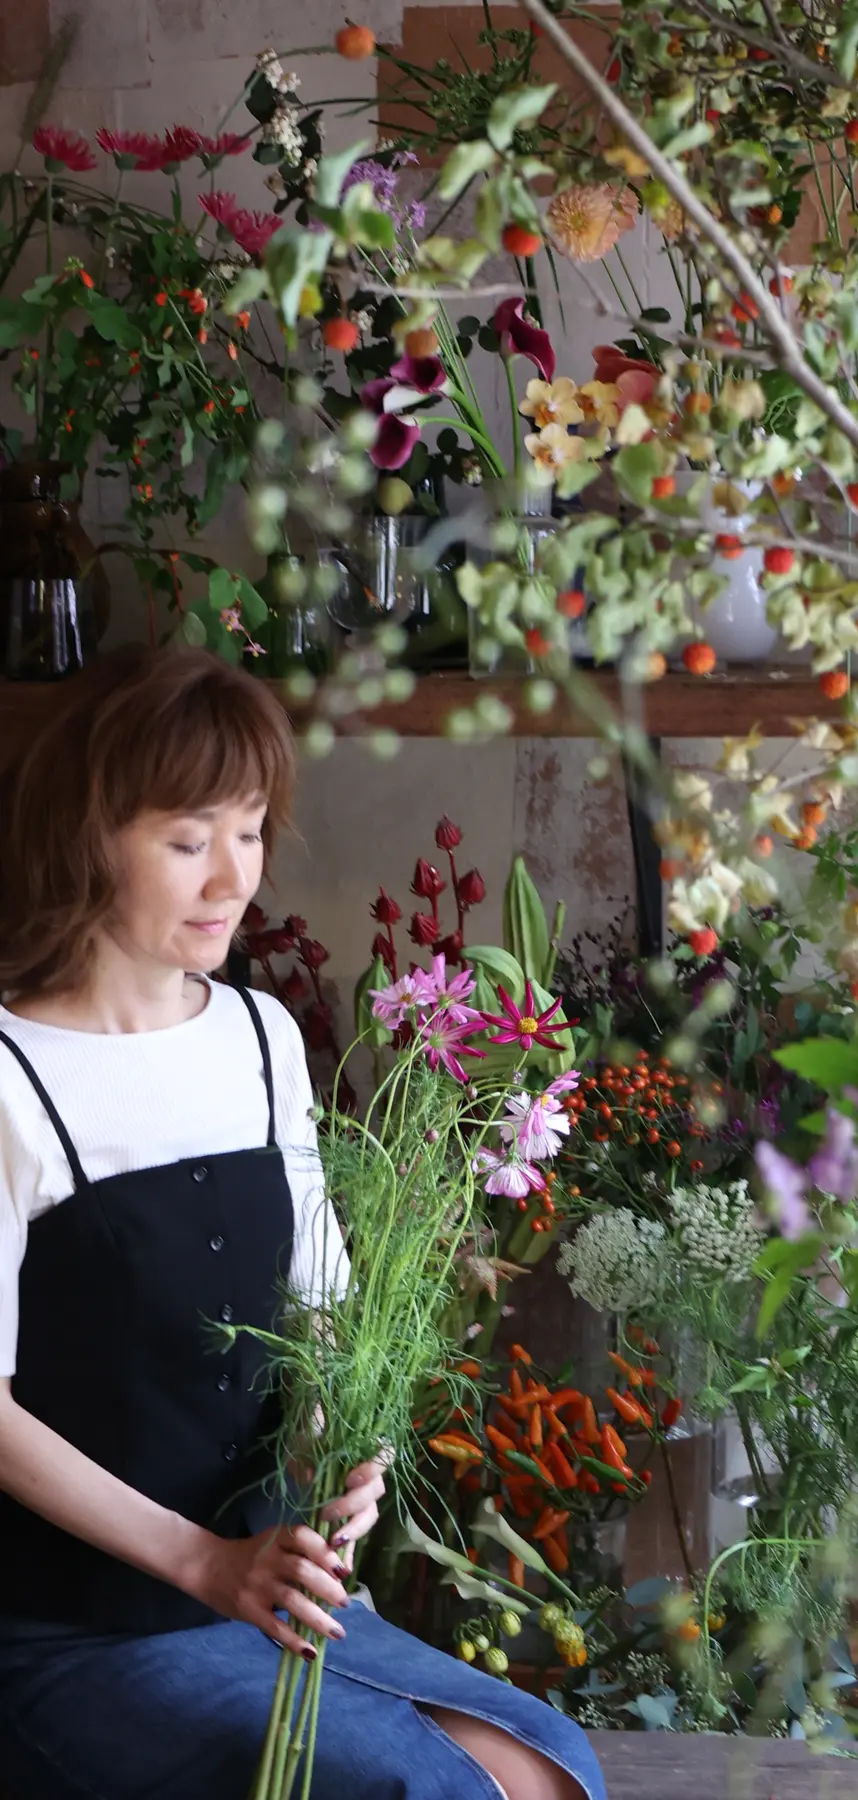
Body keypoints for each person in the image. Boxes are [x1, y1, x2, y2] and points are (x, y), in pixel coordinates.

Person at [0, 646, 604, 1800]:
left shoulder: (259, 1035)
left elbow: (318, 1305)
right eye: (187, 841)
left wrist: (339, 1440)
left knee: (545, 1767)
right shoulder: (11, 1075)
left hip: (264, 1592)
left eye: (250, 830)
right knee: (443, 1792)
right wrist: (204, 1561)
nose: (232, 877)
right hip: (79, 1630)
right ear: (87, 838)